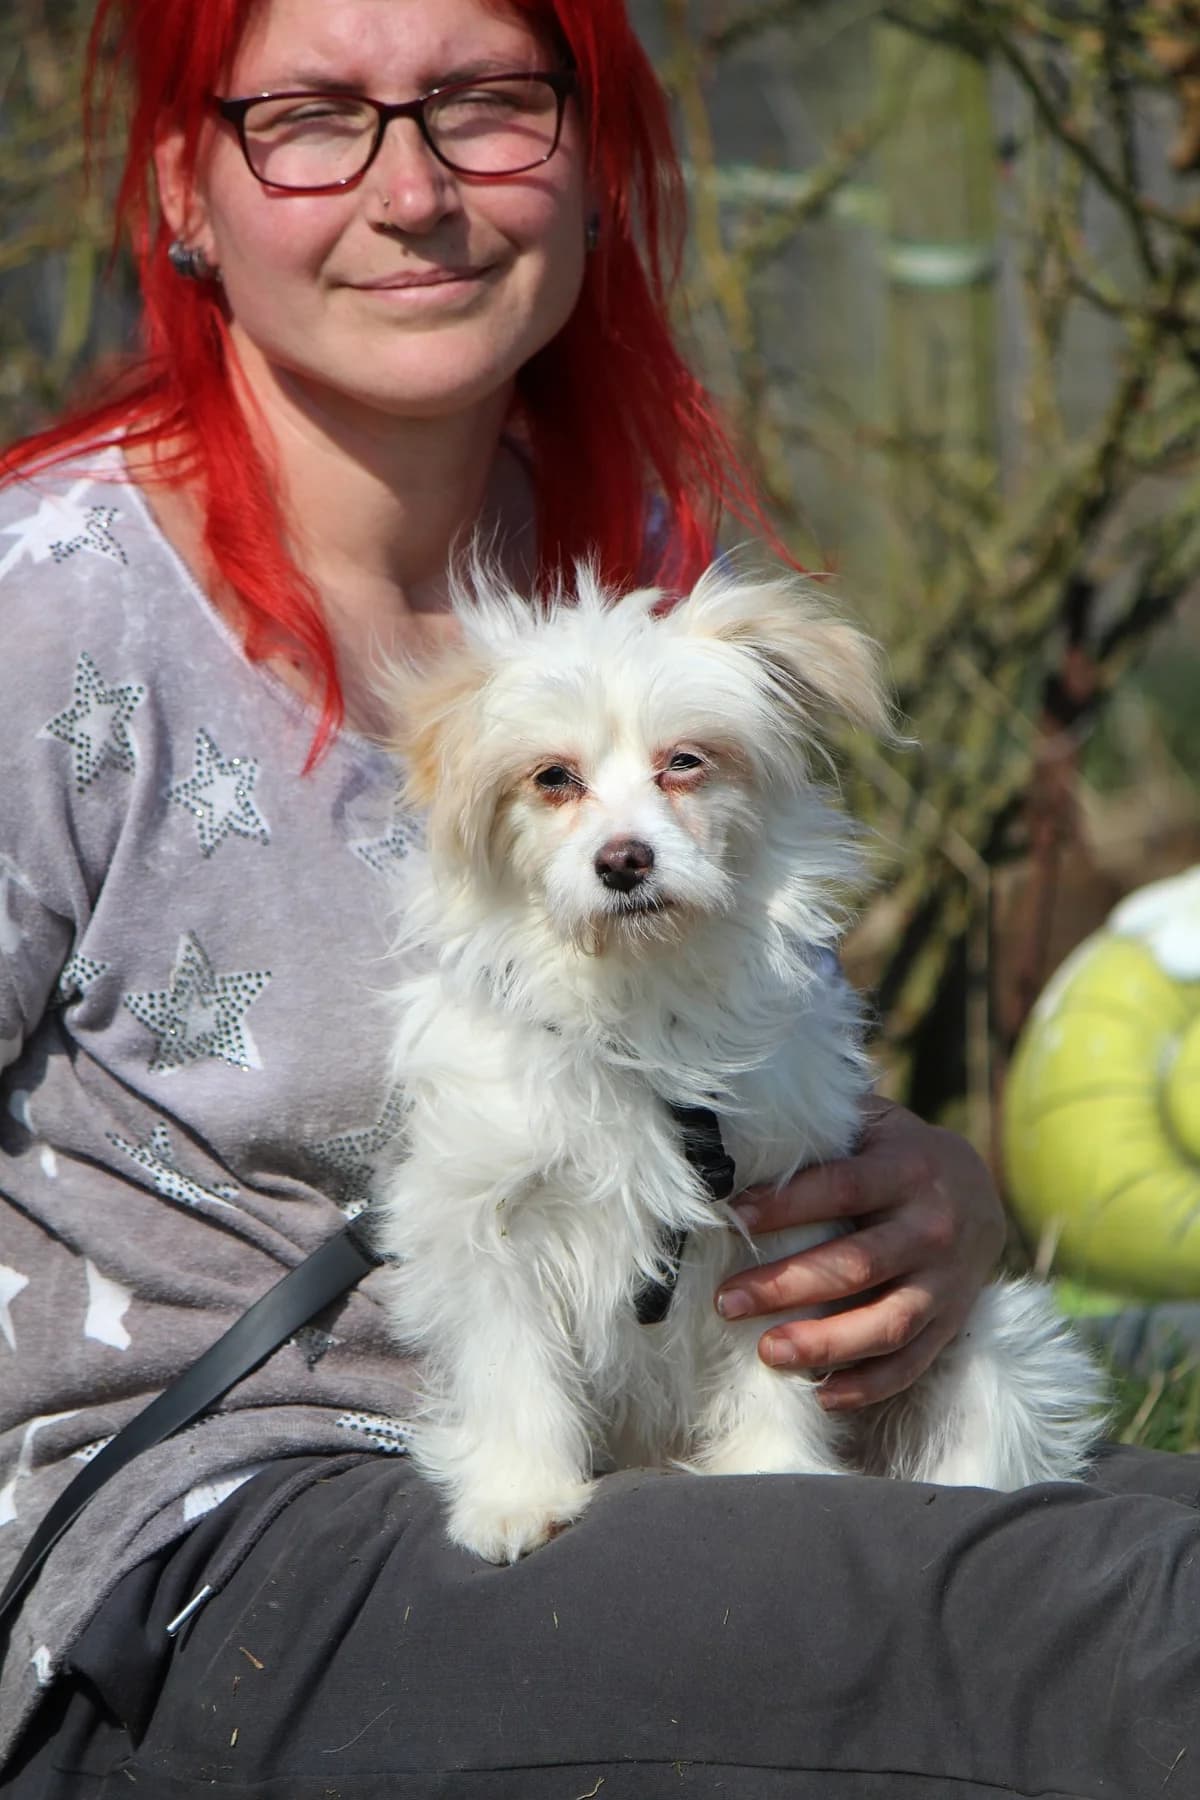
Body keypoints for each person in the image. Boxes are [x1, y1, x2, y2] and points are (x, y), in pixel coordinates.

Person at [0, 1, 1196, 1794]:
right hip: (212, 1552)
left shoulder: (629, 567)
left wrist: (922, 1189)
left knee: (1147, 1561)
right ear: (184, 182)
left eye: (484, 104)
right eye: (312, 116)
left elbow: (731, 1090)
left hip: (672, 1468)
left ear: (590, 156)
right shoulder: (52, 617)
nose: (412, 191)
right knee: (1120, 1624)